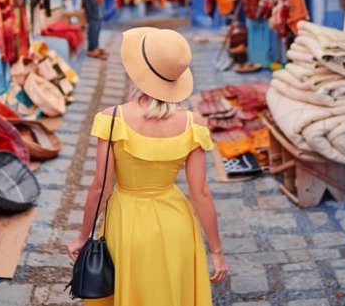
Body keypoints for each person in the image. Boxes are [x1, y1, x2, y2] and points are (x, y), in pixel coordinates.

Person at [67, 28, 229, 305]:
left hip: (126, 222)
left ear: (136, 72)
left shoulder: (112, 119)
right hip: (176, 224)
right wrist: (216, 251)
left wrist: (83, 237)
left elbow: (100, 188)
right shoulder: (194, 124)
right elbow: (200, 192)